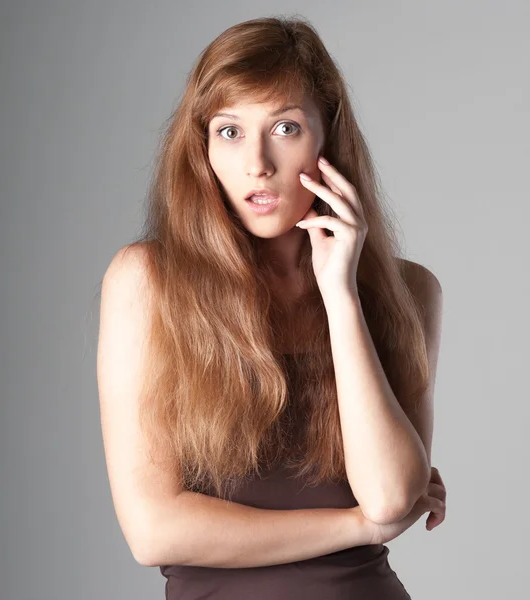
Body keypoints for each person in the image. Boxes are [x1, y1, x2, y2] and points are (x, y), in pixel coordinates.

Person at [97, 15, 447, 600]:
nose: (256, 163)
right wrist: (356, 526)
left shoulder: (408, 291)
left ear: (328, 136)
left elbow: (389, 494)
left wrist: (342, 295)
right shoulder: (149, 282)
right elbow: (154, 531)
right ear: (202, 145)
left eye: (285, 127)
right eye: (229, 131)